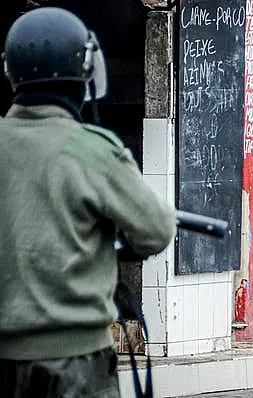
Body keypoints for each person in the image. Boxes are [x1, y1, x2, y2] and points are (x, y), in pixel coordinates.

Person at [0, 7, 176, 397]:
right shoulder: (95, 152)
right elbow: (156, 231)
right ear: (85, 69)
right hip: (75, 365)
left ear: (10, 72)